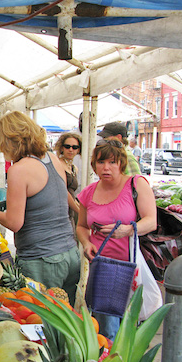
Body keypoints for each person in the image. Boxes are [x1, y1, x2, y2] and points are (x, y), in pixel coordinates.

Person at [0, 111, 80, 303]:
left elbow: (14, 223)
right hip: (69, 253)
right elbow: (57, 194)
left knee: (41, 322)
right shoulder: (52, 158)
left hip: (42, 260)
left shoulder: (19, 170)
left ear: (11, 142)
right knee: (65, 321)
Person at [76, 139, 156, 340]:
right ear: (94, 164)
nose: (106, 168)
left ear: (121, 163)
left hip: (130, 266)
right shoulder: (89, 193)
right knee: (108, 331)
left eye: (112, 162)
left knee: (132, 328)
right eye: (101, 162)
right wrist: (87, 244)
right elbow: (82, 226)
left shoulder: (136, 184)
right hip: (104, 269)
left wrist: (129, 229)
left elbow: (151, 221)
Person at [54, 132, 82, 227]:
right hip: (60, 211)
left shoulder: (74, 168)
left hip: (70, 211)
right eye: (67, 146)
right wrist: (79, 210)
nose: (71, 150)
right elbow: (64, 191)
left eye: (74, 147)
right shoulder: (58, 164)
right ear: (61, 148)